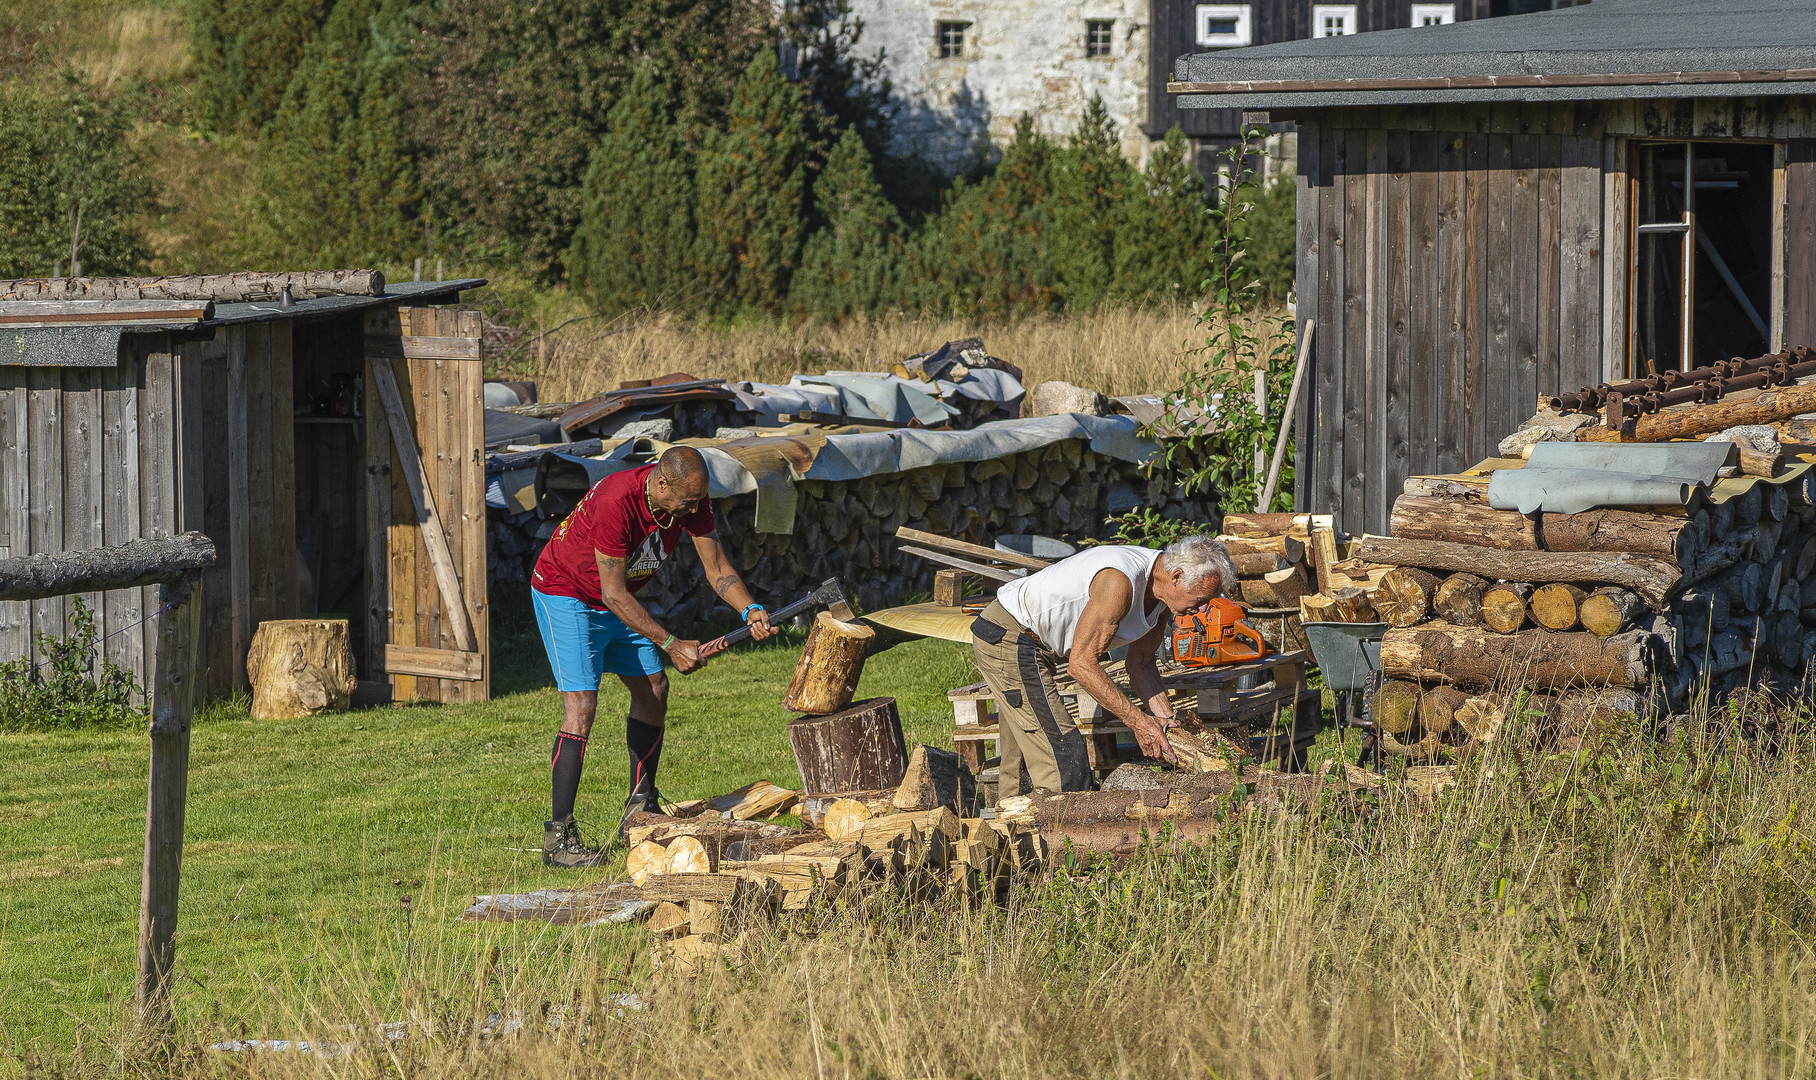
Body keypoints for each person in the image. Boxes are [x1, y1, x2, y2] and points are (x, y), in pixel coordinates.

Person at [529, 446, 775, 866]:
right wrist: (671, 643)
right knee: (582, 705)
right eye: (688, 502)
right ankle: (559, 841)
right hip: (566, 593)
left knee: (654, 687)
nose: (695, 510)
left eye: (699, 501)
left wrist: (749, 608)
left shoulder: (690, 498)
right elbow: (614, 592)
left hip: (614, 600)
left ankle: (640, 807)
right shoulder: (615, 501)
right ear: (661, 484)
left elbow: (716, 565)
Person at [969, 534, 1236, 795]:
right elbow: (1081, 664)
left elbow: (1141, 664)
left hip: (1033, 641)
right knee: (1061, 752)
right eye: (1200, 600)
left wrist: (1166, 723)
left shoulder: (1164, 598)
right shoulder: (1119, 582)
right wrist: (1140, 723)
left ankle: (1009, 830)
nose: (1202, 611)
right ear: (1177, 577)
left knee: (1026, 752)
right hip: (1009, 636)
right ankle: (1059, 830)